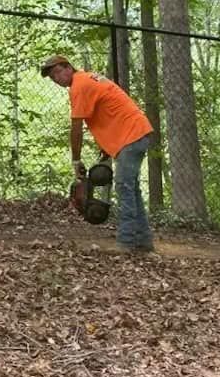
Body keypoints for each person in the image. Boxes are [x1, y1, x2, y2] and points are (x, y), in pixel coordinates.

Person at [40, 55, 154, 252]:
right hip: (134, 133)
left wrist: (75, 160)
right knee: (131, 189)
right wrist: (106, 149)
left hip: (132, 135)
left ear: (69, 68)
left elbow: (76, 128)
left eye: (58, 72)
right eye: (52, 77)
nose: (56, 79)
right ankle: (143, 242)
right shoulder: (86, 80)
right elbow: (106, 112)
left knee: (124, 187)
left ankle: (126, 243)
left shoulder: (79, 85)